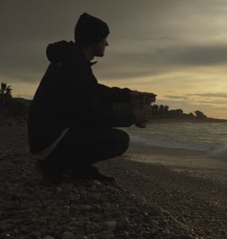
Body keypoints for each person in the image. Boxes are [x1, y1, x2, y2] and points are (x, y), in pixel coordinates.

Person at [27, 12, 156, 185]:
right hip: (49, 142)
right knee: (119, 140)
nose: (107, 43)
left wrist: (129, 94)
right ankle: (53, 167)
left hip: (47, 136)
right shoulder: (75, 68)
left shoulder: (72, 61)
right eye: (104, 39)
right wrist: (134, 117)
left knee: (103, 111)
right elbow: (96, 115)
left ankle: (78, 169)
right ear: (94, 40)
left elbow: (96, 91)